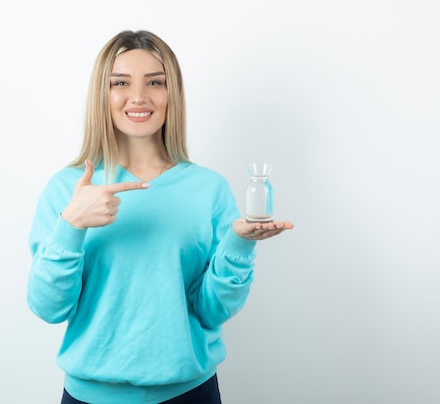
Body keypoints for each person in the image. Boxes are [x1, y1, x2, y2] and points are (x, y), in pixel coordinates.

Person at [27, 30, 294, 404]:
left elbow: (213, 310)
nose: (138, 96)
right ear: (102, 95)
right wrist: (71, 226)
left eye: (155, 82)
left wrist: (239, 244)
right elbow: (49, 308)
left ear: (173, 95)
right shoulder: (67, 189)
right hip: (90, 397)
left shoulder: (208, 189)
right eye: (120, 82)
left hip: (191, 394)